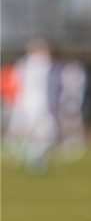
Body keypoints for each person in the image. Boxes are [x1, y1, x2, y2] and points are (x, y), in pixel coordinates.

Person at [5, 39, 61, 173]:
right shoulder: (42, 62)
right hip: (37, 105)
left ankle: (31, 158)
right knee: (47, 133)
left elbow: (16, 84)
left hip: (25, 104)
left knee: (28, 134)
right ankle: (32, 159)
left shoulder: (22, 64)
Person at [58, 56, 87, 161]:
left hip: (74, 104)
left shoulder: (79, 75)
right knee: (66, 127)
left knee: (75, 127)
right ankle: (67, 146)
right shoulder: (64, 73)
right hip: (65, 104)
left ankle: (77, 146)